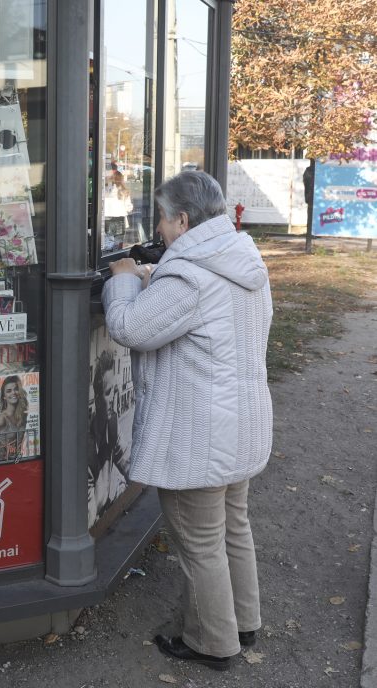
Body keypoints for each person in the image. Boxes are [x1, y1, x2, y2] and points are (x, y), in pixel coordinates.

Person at [102, 171, 272, 671]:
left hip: (199, 434)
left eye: (160, 216)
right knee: (232, 528)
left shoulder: (189, 275)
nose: (157, 225)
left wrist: (125, 280)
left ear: (181, 219)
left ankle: (212, 643)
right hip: (240, 425)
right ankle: (244, 621)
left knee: (200, 543)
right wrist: (155, 281)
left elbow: (132, 327)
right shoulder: (240, 259)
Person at [87, 350, 128, 519]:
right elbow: (90, 513)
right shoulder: (86, 445)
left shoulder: (110, 427)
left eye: (115, 390)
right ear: (97, 398)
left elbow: (129, 464)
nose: (114, 396)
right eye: (108, 392)